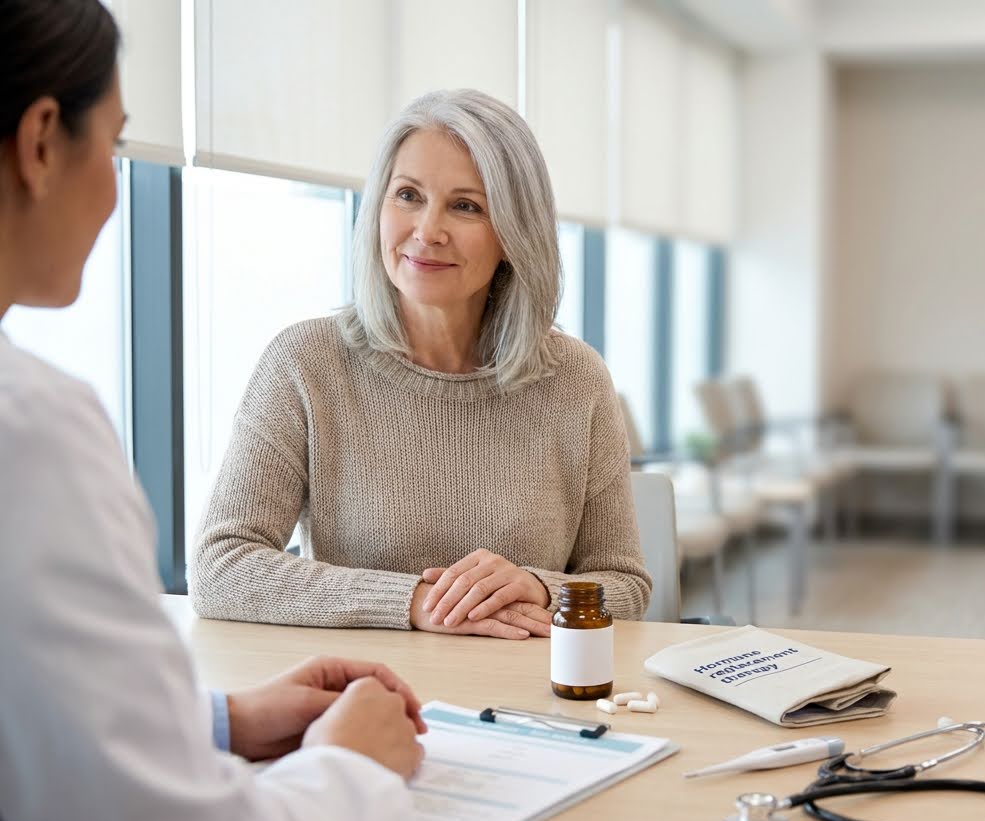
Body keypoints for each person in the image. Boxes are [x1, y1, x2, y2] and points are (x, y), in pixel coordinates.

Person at [0, 2, 425, 821]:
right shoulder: (31, 431)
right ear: (42, 140)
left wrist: (219, 722)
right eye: (117, 147)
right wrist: (351, 767)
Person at [189, 89, 651, 636]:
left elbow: (624, 584)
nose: (427, 230)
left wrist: (544, 588)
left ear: (513, 233)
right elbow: (220, 567)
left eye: (466, 205)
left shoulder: (577, 379)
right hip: (359, 693)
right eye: (407, 194)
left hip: (522, 702)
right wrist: (414, 602)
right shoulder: (305, 363)